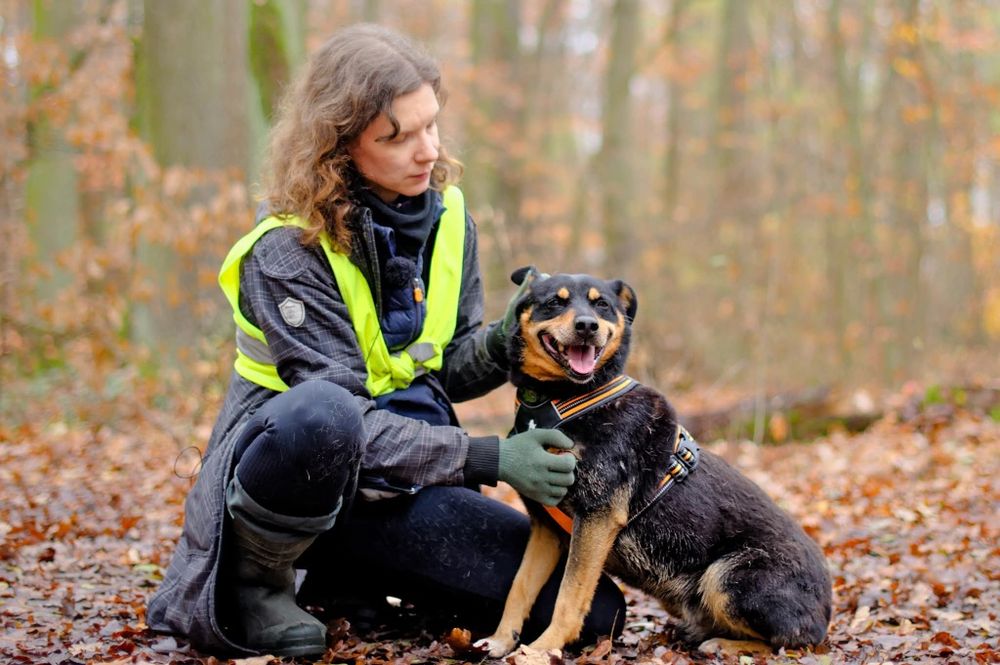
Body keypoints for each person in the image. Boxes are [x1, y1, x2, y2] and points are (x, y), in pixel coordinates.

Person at [146, 23, 625, 658]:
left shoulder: (453, 221)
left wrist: (509, 340)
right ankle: (257, 584)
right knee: (325, 415)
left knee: (595, 614)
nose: (426, 150)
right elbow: (349, 423)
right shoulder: (287, 252)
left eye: (431, 124)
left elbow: (440, 368)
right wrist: (492, 460)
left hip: (406, 479)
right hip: (297, 475)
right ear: (338, 147)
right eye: (397, 136)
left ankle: (362, 574)